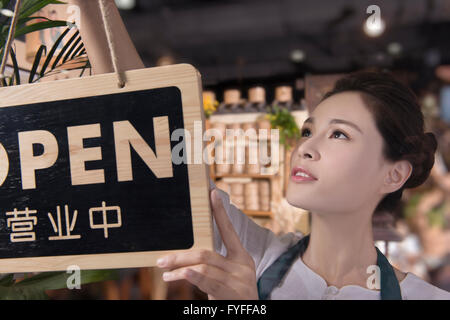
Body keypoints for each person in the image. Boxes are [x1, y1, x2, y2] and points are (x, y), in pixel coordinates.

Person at [67, 0, 450, 300]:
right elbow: (153, 133)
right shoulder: (251, 252)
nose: (306, 148)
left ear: (393, 173)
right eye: (308, 130)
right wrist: (91, 7)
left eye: (339, 135)